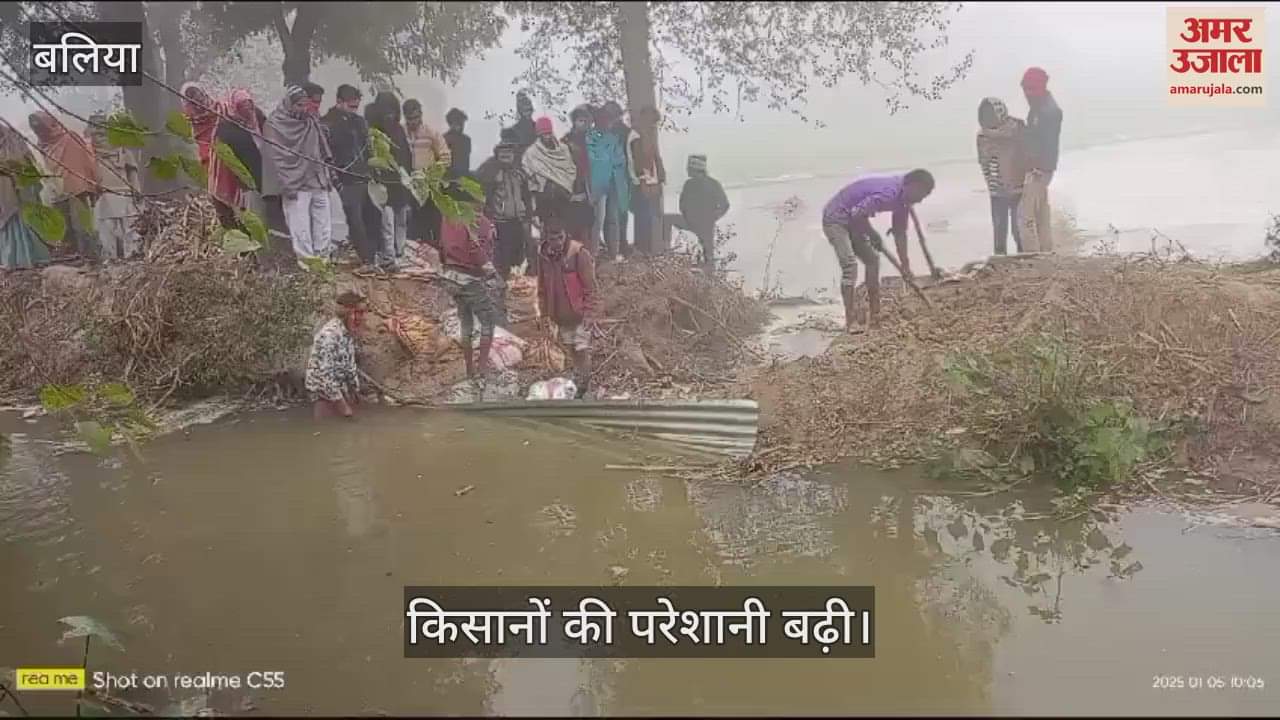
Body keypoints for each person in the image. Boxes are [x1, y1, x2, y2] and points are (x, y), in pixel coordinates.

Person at [821, 169, 935, 333]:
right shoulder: (889, 193)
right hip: (836, 219)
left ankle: (875, 316)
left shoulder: (903, 200)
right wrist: (873, 234)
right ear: (913, 186)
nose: (921, 200)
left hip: (854, 221)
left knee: (873, 261)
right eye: (922, 195)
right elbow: (857, 213)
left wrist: (905, 266)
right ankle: (850, 321)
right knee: (850, 266)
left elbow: (900, 233)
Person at [264, 84, 334, 267]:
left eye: (305, 105)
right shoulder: (274, 125)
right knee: (300, 228)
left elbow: (320, 149)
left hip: (317, 179)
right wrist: (287, 182)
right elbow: (275, 159)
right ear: (289, 104)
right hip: (294, 184)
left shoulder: (310, 121)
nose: (304, 110)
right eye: (299, 105)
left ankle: (323, 261)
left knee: (324, 225)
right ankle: (308, 266)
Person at [438, 178, 501, 379]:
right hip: (469, 277)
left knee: (466, 323)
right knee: (488, 321)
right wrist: (491, 273)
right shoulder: (477, 220)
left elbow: (442, 245)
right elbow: (476, 249)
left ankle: (469, 370)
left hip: (451, 276)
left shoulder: (448, 216)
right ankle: (482, 369)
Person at [536, 212, 598, 399]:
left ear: (566, 235)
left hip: (580, 314)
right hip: (560, 315)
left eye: (560, 237)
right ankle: (579, 381)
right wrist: (544, 314)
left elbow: (591, 287)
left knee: (581, 349)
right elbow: (542, 288)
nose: (557, 242)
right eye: (552, 238)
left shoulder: (579, 254)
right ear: (546, 237)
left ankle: (584, 386)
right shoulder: (543, 256)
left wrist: (590, 314)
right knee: (571, 349)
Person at [28, 111, 98, 260]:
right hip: (57, 189)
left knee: (81, 225)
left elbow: (86, 159)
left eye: (42, 127)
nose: (40, 132)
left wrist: (91, 183)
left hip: (78, 187)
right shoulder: (42, 145)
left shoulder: (69, 136)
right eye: (37, 129)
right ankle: (70, 257)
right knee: (63, 226)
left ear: (50, 124)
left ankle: (90, 256)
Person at [322, 84, 377, 268]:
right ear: (339, 101)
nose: (355, 110)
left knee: (371, 217)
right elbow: (326, 155)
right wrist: (336, 181)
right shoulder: (327, 124)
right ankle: (366, 259)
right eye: (351, 106)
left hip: (364, 177)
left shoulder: (359, 122)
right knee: (354, 221)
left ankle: (371, 256)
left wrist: (373, 172)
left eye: (357, 106)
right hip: (344, 179)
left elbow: (368, 150)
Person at [1018, 67, 1064, 253]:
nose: (1027, 94)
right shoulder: (1039, 107)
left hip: (1039, 169)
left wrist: (1037, 166)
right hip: (1043, 168)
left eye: (1030, 89)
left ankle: (1032, 256)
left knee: (1025, 216)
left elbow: (1046, 143)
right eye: (1025, 89)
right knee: (1041, 213)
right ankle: (1046, 252)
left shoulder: (1048, 112)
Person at [476, 130, 532, 280]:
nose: (506, 156)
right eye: (503, 153)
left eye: (509, 153)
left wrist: (528, 216)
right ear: (498, 154)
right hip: (500, 222)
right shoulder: (491, 172)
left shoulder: (519, 173)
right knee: (502, 257)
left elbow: (526, 197)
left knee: (519, 255)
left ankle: (515, 285)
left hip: (518, 220)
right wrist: (489, 219)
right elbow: (484, 195)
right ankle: (501, 284)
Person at [85, 112, 141, 261]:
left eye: (102, 127)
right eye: (95, 128)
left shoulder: (123, 150)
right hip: (103, 197)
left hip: (124, 194)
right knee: (107, 232)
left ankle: (132, 258)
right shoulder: (89, 153)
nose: (99, 132)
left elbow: (133, 174)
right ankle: (111, 261)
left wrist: (136, 192)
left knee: (129, 229)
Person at [366, 91, 413, 270]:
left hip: (400, 181)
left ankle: (399, 251)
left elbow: (407, 156)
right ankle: (389, 256)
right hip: (383, 183)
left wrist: (408, 177)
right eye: (386, 111)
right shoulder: (374, 132)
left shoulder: (399, 129)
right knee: (386, 221)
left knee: (401, 219)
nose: (390, 115)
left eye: (392, 111)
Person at [306, 289, 368, 419]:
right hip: (324, 395)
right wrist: (344, 408)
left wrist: (355, 391)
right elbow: (326, 378)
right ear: (348, 314)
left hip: (340, 390)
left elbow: (349, 365)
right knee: (329, 432)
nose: (362, 318)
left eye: (363, 313)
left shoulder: (346, 332)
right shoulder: (330, 335)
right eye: (358, 313)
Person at [976, 97, 1027, 256]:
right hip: (996, 189)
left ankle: (1024, 260)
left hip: (1018, 187)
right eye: (985, 114)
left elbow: (1026, 153)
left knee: (1018, 229)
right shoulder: (982, 136)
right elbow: (983, 161)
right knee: (999, 230)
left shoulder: (1016, 128)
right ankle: (1000, 263)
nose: (989, 117)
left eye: (991, 113)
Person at [208, 88, 265, 230]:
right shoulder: (226, 128)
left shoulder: (258, 116)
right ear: (235, 107)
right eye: (242, 106)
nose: (247, 109)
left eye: (249, 105)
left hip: (265, 171)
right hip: (244, 180)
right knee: (250, 215)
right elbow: (226, 159)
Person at [0, 123, 51, 270]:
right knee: (9, 224)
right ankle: (12, 259)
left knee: (26, 222)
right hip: (4, 194)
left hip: (23, 193)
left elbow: (28, 166)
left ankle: (31, 257)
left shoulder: (15, 142)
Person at [666, 154, 729, 273]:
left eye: (688, 168)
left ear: (694, 169)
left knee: (666, 220)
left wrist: (710, 218)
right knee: (708, 255)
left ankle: (665, 250)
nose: (686, 170)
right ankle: (707, 269)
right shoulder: (708, 184)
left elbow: (682, 205)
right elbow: (725, 205)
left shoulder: (695, 184)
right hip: (700, 223)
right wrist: (713, 217)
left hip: (701, 223)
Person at [403, 98, 450, 248]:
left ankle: (435, 250)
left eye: (416, 117)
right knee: (412, 220)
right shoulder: (401, 133)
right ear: (405, 117)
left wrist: (433, 174)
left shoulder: (431, 133)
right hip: (409, 184)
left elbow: (445, 157)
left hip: (430, 184)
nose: (413, 122)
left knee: (432, 218)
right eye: (410, 118)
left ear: (421, 115)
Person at [587, 104, 629, 261]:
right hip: (597, 184)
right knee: (597, 220)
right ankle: (593, 254)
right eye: (605, 120)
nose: (608, 123)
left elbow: (620, 160)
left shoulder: (613, 138)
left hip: (613, 183)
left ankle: (613, 254)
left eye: (609, 120)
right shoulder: (590, 137)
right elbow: (591, 161)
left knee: (612, 219)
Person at [628, 104, 666, 256]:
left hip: (651, 183)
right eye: (651, 123)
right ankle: (642, 250)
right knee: (643, 218)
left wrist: (660, 179)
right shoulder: (636, 137)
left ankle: (646, 250)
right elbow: (639, 164)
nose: (652, 126)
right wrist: (645, 182)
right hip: (641, 184)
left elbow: (655, 160)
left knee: (649, 218)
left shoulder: (647, 136)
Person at [561, 105, 595, 244]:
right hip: (572, 187)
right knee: (573, 225)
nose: (584, 123)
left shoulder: (593, 140)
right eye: (580, 120)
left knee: (589, 224)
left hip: (591, 188)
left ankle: (587, 257)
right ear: (574, 121)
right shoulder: (566, 141)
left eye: (586, 121)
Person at [180, 82, 221, 173]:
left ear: (203, 93)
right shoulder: (189, 125)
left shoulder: (221, 109)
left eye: (197, 94)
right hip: (209, 165)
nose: (197, 99)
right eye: (191, 98)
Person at [444, 108, 471, 178]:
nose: (462, 126)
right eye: (459, 123)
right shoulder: (444, 140)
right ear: (451, 123)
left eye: (462, 123)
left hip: (460, 178)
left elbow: (466, 164)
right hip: (449, 179)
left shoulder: (466, 140)